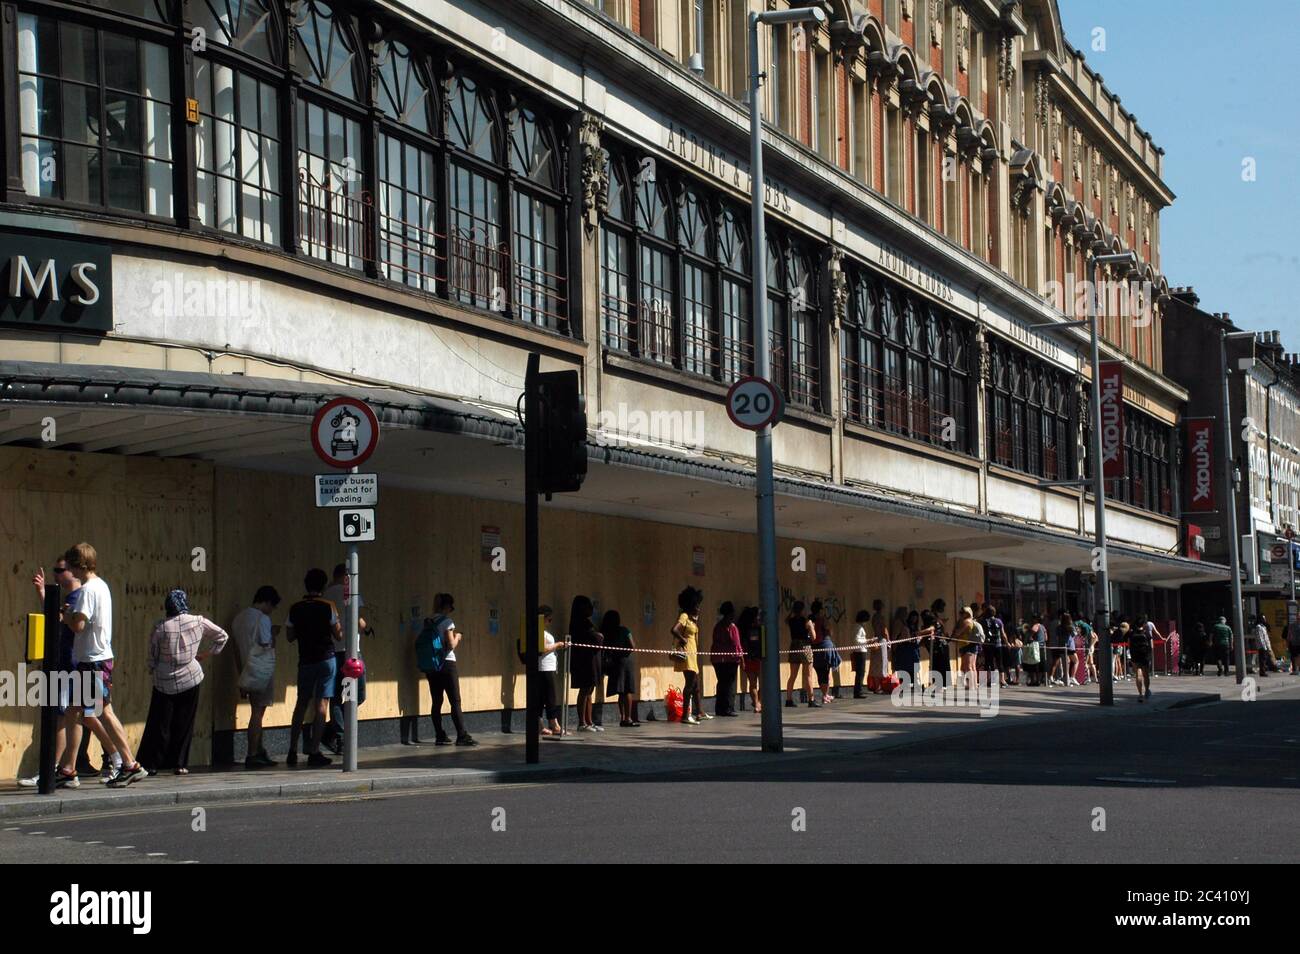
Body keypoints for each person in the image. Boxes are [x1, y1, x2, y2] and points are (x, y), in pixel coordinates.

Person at [20, 559, 121, 787]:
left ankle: (54, 770)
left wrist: (47, 597)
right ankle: (72, 769)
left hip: (74, 664)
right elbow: (60, 621)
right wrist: (43, 594)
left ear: (74, 572)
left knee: (74, 716)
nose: (56, 574)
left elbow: (72, 626)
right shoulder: (75, 597)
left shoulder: (80, 596)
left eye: (60, 570)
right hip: (74, 663)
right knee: (81, 716)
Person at [56, 543, 148, 789]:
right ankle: (68, 769)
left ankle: (130, 765)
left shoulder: (87, 590)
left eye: (69, 565)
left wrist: (64, 615)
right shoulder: (102, 586)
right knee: (75, 711)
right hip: (95, 658)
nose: (67, 570)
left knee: (104, 711)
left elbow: (79, 626)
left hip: (92, 660)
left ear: (78, 565)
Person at [138, 589, 229, 775]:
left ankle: (153, 764)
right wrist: (207, 653)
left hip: (164, 681)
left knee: (160, 723)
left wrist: (152, 669)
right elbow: (222, 636)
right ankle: (179, 764)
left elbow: (152, 655)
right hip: (191, 677)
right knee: (185, 722)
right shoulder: (198, 621)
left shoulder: (160, 627)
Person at [286, 569, 341, 766]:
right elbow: (338, 635)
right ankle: (314, 751)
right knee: (322, 705)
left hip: (305, 660)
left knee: (301, 703)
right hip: (326, 658)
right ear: (324, 586)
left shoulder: (295, 607)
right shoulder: (329, 606)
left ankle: (292, 749)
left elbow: (290, 636)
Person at [321, 563, 369, 755]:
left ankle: (337, 732)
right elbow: (359, 621)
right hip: (352, 653)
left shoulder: (325, 596)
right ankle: (336, 732)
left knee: (337, 694)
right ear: (346, 576)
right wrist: (366, 627)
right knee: (357, 695)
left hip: (334, 651)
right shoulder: (351, 592)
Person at [230, 586, 281, 769]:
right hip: (260, 671)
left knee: (255, 710)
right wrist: (275, 633)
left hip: (245, 669)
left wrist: (240, 675)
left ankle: (259, 751)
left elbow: (236, 649)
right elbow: (267, 644)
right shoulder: (263, 619)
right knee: (257, 713)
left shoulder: (238, 618)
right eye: (272, 606)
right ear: (267, 602)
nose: (272, 610)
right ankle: (253, 753)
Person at [423, 593, 477, 746]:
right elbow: (451, 644)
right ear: (447, 606)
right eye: (451, 607)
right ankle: (462, 735)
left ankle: (439, 735)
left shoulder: (428, 621)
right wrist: (458, 636)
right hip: (447, 664)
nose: (451, 610)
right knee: (455, 701)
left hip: (432, 666)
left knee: (437, 701)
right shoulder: (447, 622)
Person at [568, 596, 601, 732]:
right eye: (588, 606)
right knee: (584, 689)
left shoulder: (585, 622)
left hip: (590, 660)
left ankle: (589, 721)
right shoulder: (580, 623)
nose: (591, 609)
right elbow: (594, 638)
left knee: (589, 690)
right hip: (583, 661)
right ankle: (582, 722)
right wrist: (599, 636)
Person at [602, 610, 640, 727]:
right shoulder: (624, 630)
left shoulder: (607, 633)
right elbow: (632, 646)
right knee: (628, 690)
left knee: (620, 690)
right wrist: (624, 652)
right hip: (626, 661)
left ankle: (622, 717)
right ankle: (628, 718)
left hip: (615, 662)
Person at [672, 587, 704, 725]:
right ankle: (685, 715)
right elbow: (674, 629)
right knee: (690, 684)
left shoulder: (691, 618)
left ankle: (698, 712)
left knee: (694, 684)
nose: (699, 608)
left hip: (693, 654)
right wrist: (683, 639)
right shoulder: (684, 616)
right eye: (697, 605)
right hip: (687, 655)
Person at [710, 602, 744, 717]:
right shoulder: (732, 627)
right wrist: (742, 659)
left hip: (718, 659)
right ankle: (728, 708)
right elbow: (736, 644)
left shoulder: (717, 626)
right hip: (730, 659)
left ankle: (719, 708)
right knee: (730, 684)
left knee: (721, 683)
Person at [538, 605, 567, 737]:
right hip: (544, 667)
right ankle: (553, 723)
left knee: (543, 696)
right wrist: (558, 645)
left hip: (547, 667)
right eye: (549, 620)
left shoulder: (541, 631)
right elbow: (543, 648)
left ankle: (541, 724)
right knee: (550, 696)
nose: (550, 622)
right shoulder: (540, 632)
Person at [785, 601, 816, 707]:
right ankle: (811, 699)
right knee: (808, 675)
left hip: (794, 646)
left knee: (792, 675)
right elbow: (814, 637)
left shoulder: (791, 621)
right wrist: (812, 627)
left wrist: (792, 612)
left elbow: (786, 619)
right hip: (805, 646)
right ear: (803, 610)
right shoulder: (806, 621)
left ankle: (788, 699)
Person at [738, 605, 762, 712]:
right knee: (760, 683)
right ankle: (758, 703)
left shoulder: (743, 629)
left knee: (752, 683)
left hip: (749, 658)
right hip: (757, 658)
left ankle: (756, 703)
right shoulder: (756, 630)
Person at [809, 600, 834, 705]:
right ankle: (825, 695)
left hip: (814, 647)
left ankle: (825, 694)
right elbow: (829, 630)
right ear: (820, 610)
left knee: (820, 671)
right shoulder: (822, 619)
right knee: (825, 671)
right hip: (823, 646)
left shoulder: (811, 619)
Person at [980, 603, 1008, 689]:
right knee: (999, 663)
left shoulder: (983, 621)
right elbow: (1003, 634)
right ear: (994, 612)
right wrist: (1007, 643)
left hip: (987, 645)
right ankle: (1002, 681)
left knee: (988, 662)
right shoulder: (999, 621)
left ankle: (988, 681)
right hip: (997, 644)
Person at [892, 608, 921, 689]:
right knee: (904, 666)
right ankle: (904, 683)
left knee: (912, 666)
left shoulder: (906, 623)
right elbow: (895, 636)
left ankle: (912, 682)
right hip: (903, 647)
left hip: (911, 647)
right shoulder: (899, 623)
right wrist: (894, 648)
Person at [923, 599, 949, 688]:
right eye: (942, 607)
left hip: (941, 643)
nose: (943, 609)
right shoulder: (931, 616)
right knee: (937, 663)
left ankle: (942, 683)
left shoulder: (936, 616)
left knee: (942, 663)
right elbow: (932, 628)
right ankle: (938, 683)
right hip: (936, 644)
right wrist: (919, 633)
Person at [952, 607, 980, 690]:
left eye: (962, 612)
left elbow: (958, 633)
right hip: (969, 645)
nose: (960, 613)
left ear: (967, 613)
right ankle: (973, 684)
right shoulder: (970, 621)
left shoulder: (966, 621)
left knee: (968, 666)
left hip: (967, 645)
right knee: (971, 666)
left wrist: (955, 632)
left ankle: (971, 685)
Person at [1130, 614, 1155, 701]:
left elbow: (1127, 642)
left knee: (1138, 674)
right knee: (1146, 674)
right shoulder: (1146, 634)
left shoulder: (1132, 633)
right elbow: (1151, 646)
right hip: (1145, 655)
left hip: (1135, 655)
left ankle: (1140, 694)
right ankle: (1147, 690)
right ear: (1143, 624)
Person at [851, 609, 870, 698]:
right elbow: (857, 640)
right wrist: (867, 641)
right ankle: (858, 691)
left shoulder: (856, 627)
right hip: (860, 651)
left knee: (860, 672)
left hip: (859, 650)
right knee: (860, 672)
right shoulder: (859, 628)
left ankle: (858, 690)